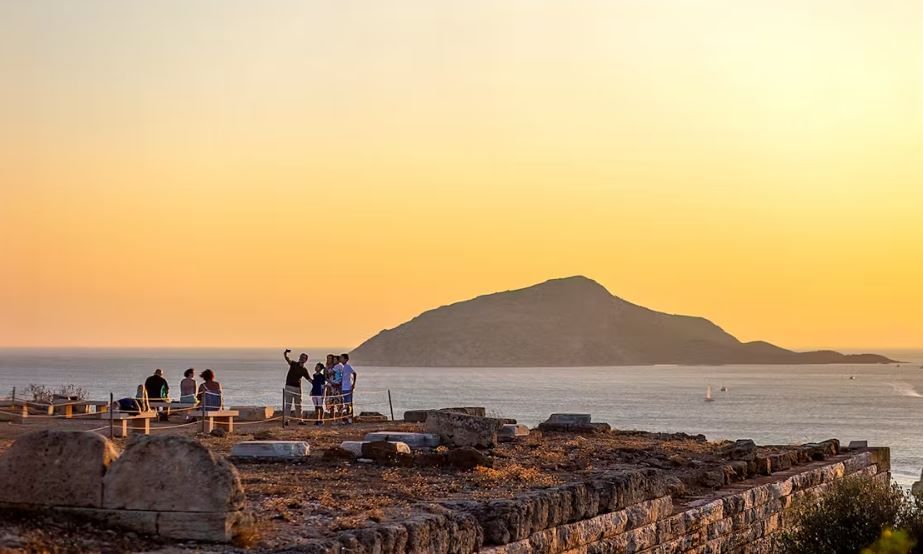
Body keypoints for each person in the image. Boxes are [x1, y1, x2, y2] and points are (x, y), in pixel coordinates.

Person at [283, 349, 310, 424]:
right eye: (301, 357)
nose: (302, 358)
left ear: (306, 360)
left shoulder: (304, 370)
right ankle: (286, 420)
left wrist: (318, 382)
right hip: (289, 386)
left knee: (298, 405)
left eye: (304, 358)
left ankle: (300, 420)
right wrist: (285, 353)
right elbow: (287, 359)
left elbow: (309, 379)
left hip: (297, 388)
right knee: (288, 404)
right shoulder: (294, 364)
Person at [339, 353, 357, 424]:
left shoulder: (348, 366)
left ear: (346, 359)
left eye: (342, 358)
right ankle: (345, 418)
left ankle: (349, 418)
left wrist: (353, 384)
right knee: (344, 404)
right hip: (342, 388)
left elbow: (354, 373)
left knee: (348, 404)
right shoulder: (341, 367)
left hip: (348, 387)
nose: (340, 359)